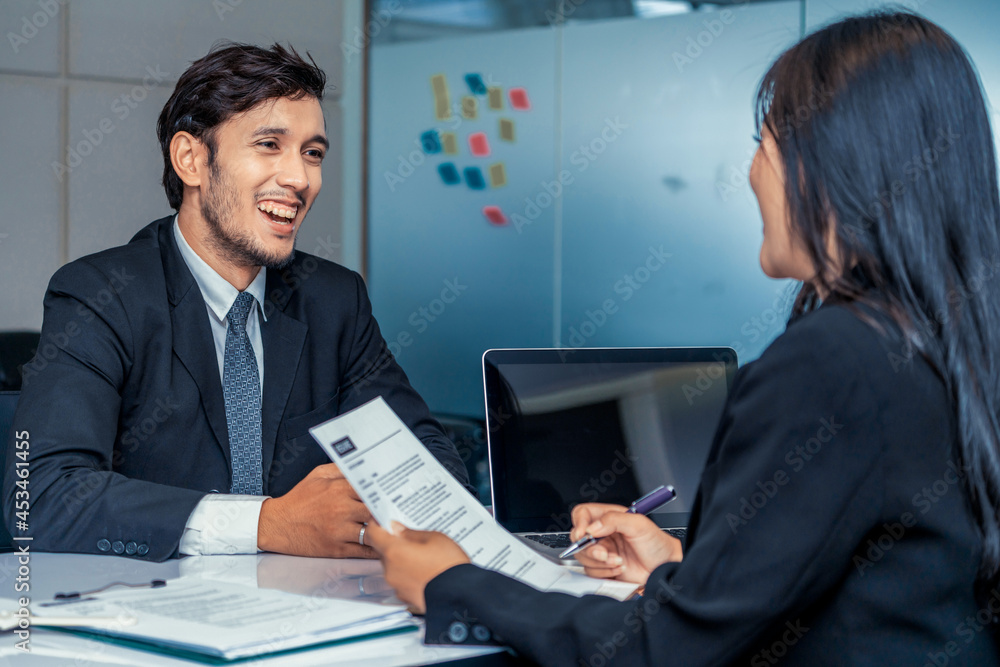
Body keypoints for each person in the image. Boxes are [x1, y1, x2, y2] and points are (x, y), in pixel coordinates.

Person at [368, 11, 1000, 664]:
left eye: (765, 139)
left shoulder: (836, 359)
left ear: (827, 157)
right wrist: (682, 561)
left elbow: (665, 651)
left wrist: (456, 583)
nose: (752, 171)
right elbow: (880, 576)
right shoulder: (945, 340)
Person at [2, 42, 472, 562]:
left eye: (312, 153)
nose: (299, 178)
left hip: (317, 610)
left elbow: (434, 472)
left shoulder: (335, 300)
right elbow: (39, 498)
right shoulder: (100, 295)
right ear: (192, 160)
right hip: (155, 614)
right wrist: (266, 523)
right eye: (270, 144)